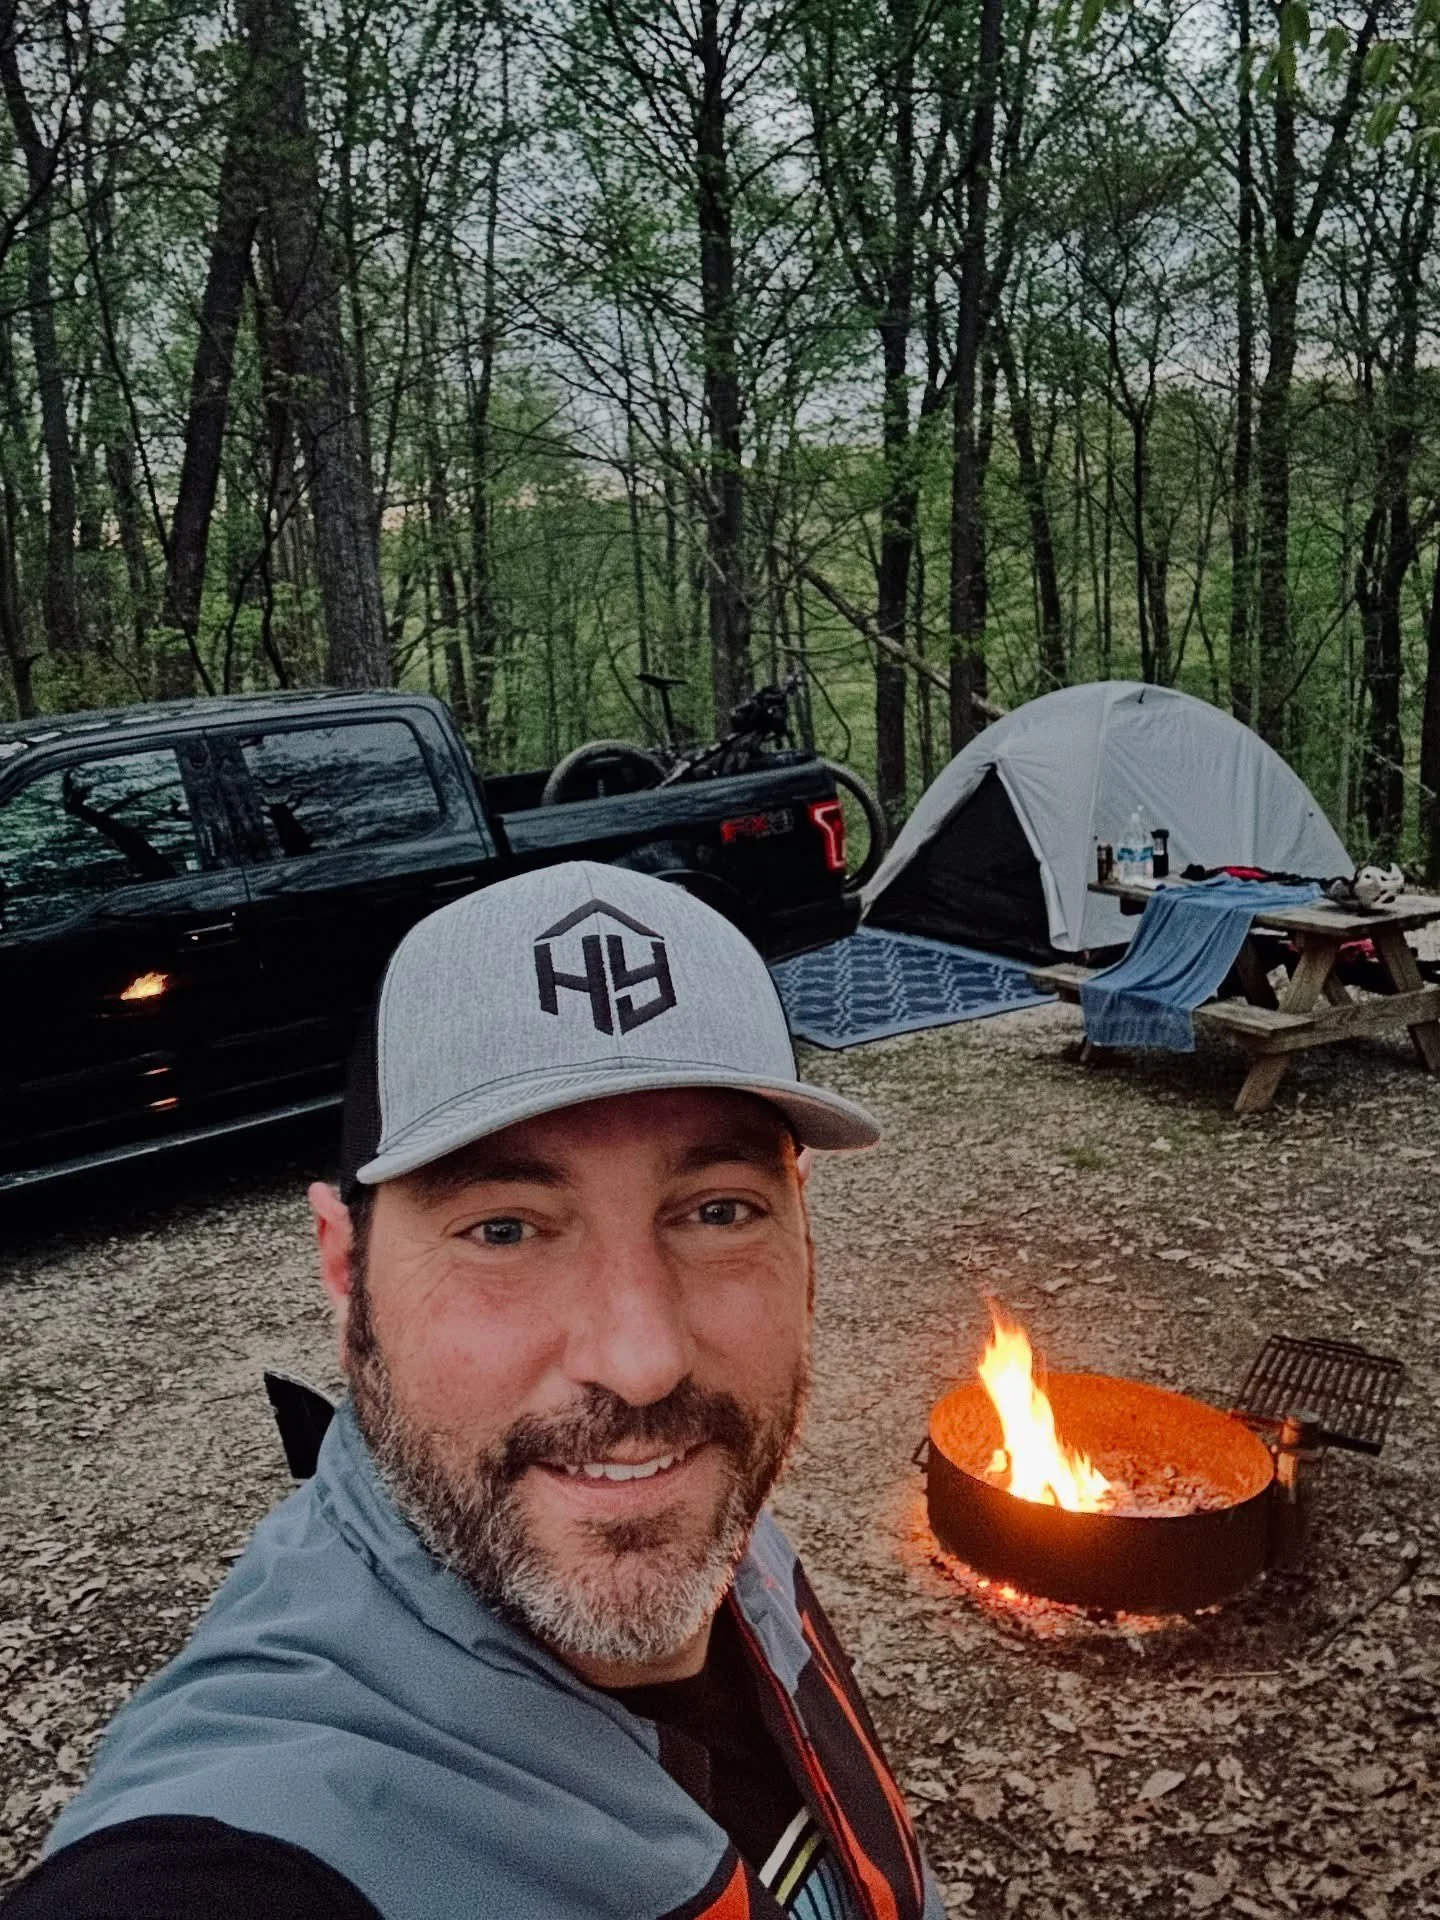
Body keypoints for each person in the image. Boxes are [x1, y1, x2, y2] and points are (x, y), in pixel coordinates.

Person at [5, 862, 941, 1920]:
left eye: (718, 1212)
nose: (644, 1364)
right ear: (344, 1267)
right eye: (502, 1230)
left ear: (802, 1230)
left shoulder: (702, 1505)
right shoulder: (245, 1843)